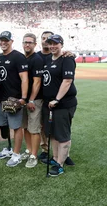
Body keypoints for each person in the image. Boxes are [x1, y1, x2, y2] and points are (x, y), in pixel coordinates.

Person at [42, 34, 77, 176]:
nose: (52, 46)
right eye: (50, 43)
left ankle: (60, 165)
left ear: (61, 44)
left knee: (62, 135)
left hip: (63, 104)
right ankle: (56, 159)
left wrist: (57, 99)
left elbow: (67, 81)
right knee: (54, 134)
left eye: (55, 43)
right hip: (50, 104)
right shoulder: (47, 59)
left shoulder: (67, 59)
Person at [0, 31, 28, 167]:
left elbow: (24, 78)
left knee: (16, 127)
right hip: (1, 98)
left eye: (6, 40)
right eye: (1, 40)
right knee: (4, 125)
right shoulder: (0, 57)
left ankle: (16, 154)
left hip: (14, 98)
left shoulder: (18, 57)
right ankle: (9, 149)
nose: (3, 42)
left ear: (11, 41)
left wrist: (23, 98)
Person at [20, 33, 43, 168]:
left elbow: (37, 82)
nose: (27, 44)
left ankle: (34, 155)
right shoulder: (22, 58)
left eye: (30, 42)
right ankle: (29, 151)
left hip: (34, 99)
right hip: (24, 99)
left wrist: (32, 100)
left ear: (35, 44)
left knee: (34, 129)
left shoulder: (37, 59)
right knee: (26, 128)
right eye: (25, 42)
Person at [36, 31, 54, 161]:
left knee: (54, 124)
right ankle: (45, 149)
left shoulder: (57, 56)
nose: (45, 40)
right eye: (43, 38)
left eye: (48, 38)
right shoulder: (36, 56)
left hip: (53, 97)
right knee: (42, 125)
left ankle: (58, 149)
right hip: (38, 96)